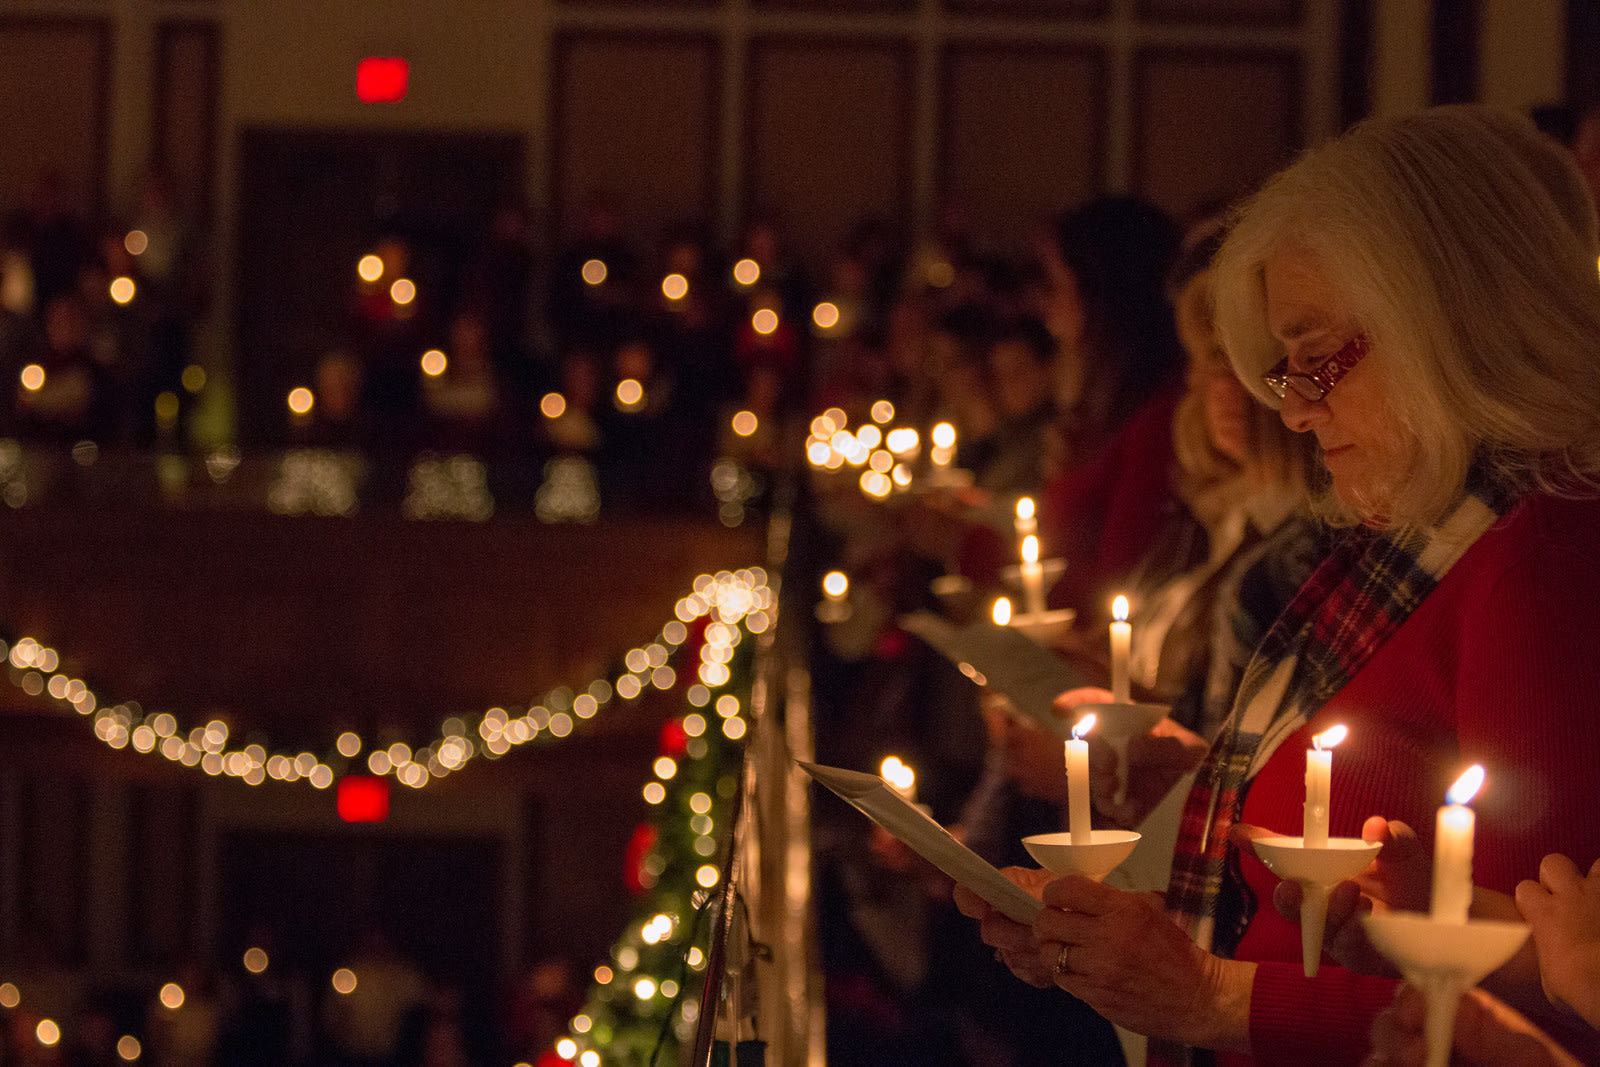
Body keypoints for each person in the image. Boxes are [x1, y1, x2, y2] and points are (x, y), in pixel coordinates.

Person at [955, 104, 1600, 1066]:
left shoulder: (1540, 556)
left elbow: (1545, 1015)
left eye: (1316, 358)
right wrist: (1154, 875)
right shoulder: (1419, 524)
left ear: (1443, 317)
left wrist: (1211, 993)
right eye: (1279, 371)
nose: (1293, 412)